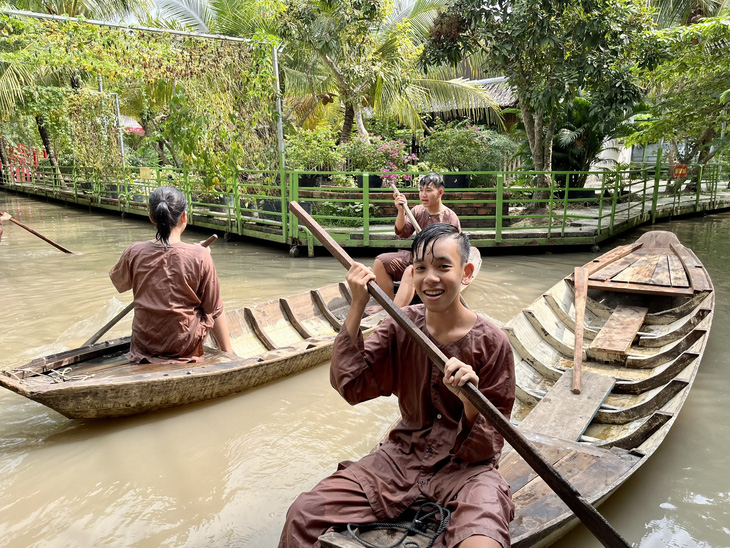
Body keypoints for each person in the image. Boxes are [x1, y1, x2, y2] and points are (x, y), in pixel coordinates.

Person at [280, 223, 515, 548]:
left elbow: (490, 446)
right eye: (420, 269)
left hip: (465, 472)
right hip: (400, 458)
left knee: (482, 544)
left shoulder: (494, 342)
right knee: (303, 514)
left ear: (466, 272)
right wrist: (357, 304)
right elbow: (351, 384)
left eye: (443, 267)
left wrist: (470, 401)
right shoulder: (400, 325)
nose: (430, 278)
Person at [109, 186, 234, 363]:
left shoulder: (134, 251)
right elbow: (211, 307)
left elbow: (119, 283)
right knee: (216, 303)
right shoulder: (200, 255)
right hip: (182, 347)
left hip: (144, 344)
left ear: (151, 217)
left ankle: (228, 353)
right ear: (184, 217)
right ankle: (229, 353)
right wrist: (201, 258)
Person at [373, 172, 461, 305]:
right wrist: (401, 211)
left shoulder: (450, 217)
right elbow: (402, 232)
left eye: (428, 190)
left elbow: (456, 251)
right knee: (380, 262)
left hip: (436, 265)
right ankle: (388, 303)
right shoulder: (418, 211)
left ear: (440, 192)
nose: (423, 195)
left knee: (411, 271)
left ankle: (395, 315)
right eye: (421, 190)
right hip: (416, 257)